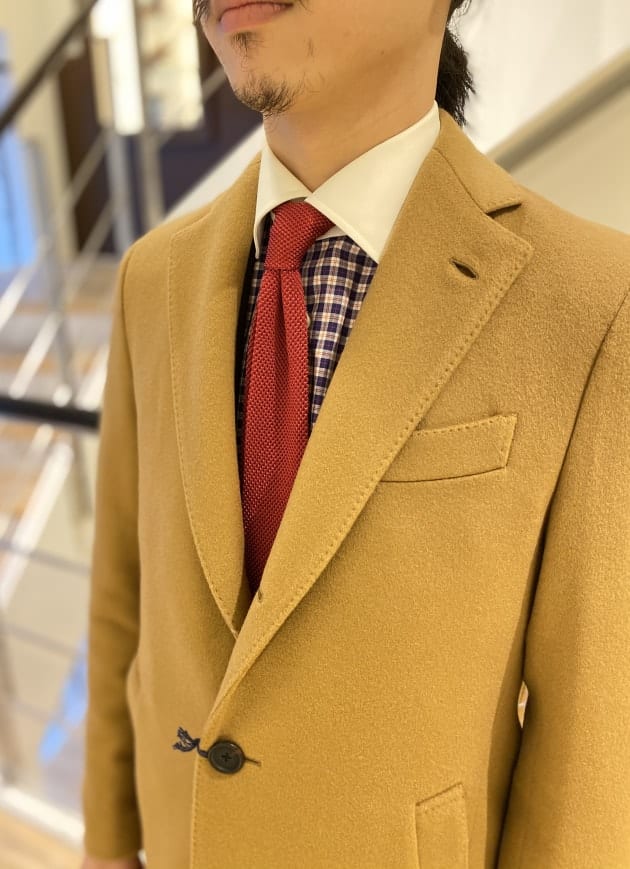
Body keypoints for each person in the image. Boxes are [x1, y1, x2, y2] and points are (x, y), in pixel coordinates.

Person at [80, 0, 630, 867]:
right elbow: (125, 591)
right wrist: (107, 840)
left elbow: (592, 729)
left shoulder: (590, 299)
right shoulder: (152, 278)